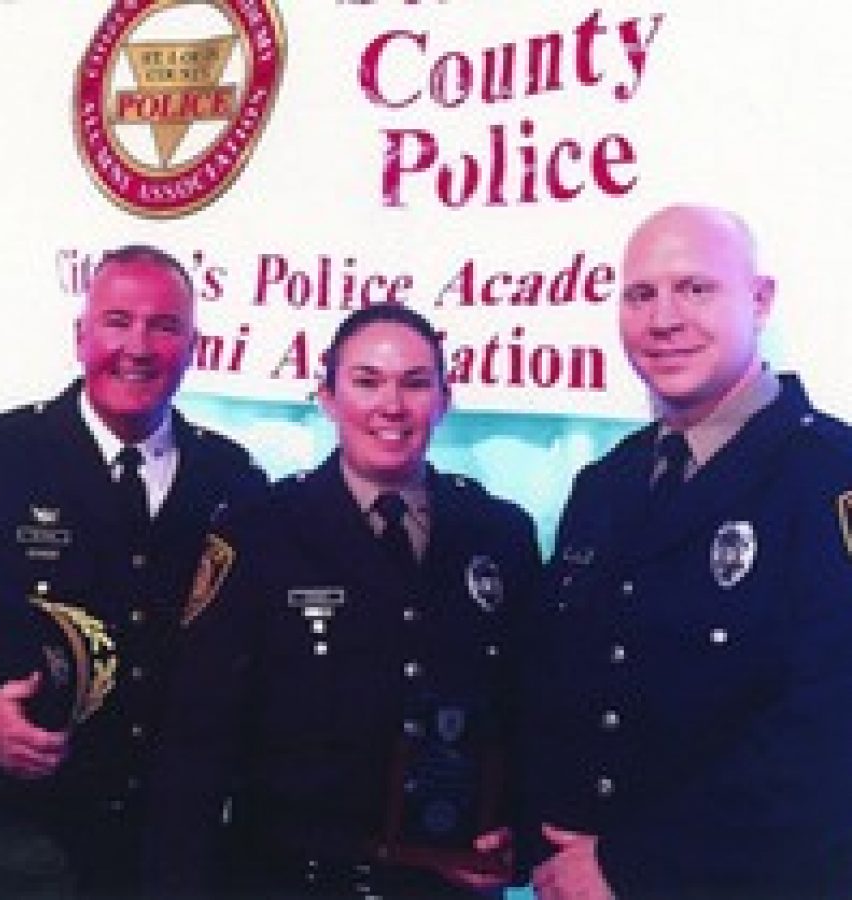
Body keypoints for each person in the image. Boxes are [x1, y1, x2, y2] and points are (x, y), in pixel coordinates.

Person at [147, 303, 541, 898]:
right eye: (366, 382)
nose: (391, 406)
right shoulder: (257, 534)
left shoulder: (500, 534)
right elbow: (195, 738)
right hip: (288, 882)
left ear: (444, 399)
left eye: (415, 383)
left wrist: (517, 831)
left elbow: (528, 711)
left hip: (444, 885)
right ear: (327, 398)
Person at [520, 205, 852, 899]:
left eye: (696, 288)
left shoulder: (831, 478)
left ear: (760, 301)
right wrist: (509, 825)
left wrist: (629, 866)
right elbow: (569, 692)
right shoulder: (606, 484)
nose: (663, 319)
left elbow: (827, 741)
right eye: (640, 294)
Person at [0, 244, 266, 899]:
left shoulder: (234, 481)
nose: (139, 346)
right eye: (118, 321)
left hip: (177, 855)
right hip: (16, 845)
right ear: (80, 335)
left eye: (164, 326)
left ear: (193, 347)